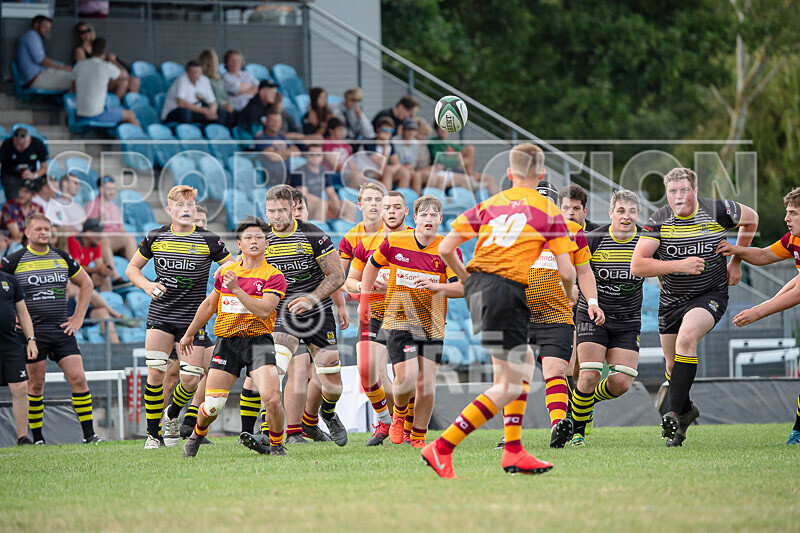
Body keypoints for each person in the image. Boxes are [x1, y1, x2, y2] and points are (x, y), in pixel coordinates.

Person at [421, 143, 577, 478]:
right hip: (507, 291)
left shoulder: (490, 204)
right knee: (510, 384)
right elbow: (566, 272)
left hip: (483, 288)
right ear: (541, 174)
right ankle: (442, 446)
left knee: (520, 372)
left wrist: (470, 281)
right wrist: (568, 295)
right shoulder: (548, 211)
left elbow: (447, 248)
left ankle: (513, 450)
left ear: (509, 174)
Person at [631, 167, 758, 447]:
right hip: (671, 301)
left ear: (695, 191)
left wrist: (736, 259)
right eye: (673, 191)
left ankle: (673, 415)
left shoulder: (719, 210)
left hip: (710, 295)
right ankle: (688, 411)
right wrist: (679, 265)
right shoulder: (659, 220)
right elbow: (638, 265)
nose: (679, 197)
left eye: (684, 190)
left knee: (687, 338)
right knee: (672, 365)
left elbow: (752, 219)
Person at [125, 185, 233, 449]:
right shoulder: (156, 236)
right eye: (181, 206)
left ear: (195, 209)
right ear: (169, 209)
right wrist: (147, 286)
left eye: (190, 206)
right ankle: (153, 435)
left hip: (192, 318)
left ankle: (172, 414)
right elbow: (132, 268)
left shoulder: (209, 239)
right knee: (155, 372)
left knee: (191, 378)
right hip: (160, 313)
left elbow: (231, 266)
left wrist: (228, 278)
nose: (186, 210)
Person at [494, 180, 597, 451]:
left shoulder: (572, 231)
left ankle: (558, 427)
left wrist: (593, 301)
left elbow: (584, 272)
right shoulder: (512, 230)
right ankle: (510, 434)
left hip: (556, 313)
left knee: (555, 371)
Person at [359, 195, 462, 449]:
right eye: (423, 215)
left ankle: (418, 436)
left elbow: (462, 287)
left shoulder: (446, 248)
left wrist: (435, 285)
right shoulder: (395, 241)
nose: (428, 220)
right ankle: (399, 415)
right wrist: (364, 300)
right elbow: (371, 266)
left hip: (432, 323)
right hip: (399, 319)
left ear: (440, 219)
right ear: (415, 218)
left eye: (433, 215)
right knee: (406, 379)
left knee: (426, 385)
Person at [179, 216, 287, 457]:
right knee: (213, 405)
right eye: (248, 237)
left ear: (266, 243)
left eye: (259, 237)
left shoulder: (273, 275)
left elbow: (265, 310)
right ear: (239, 243)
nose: (254, 241)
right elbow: (209, 305)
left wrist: (237, 289)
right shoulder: (226, 272)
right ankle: (197, 435)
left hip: (259, 342)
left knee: (271, 399)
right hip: (227, 343)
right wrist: (189, 334)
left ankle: (277, 446)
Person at [1, 213, 100, 444]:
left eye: (47, 229)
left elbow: (87, 283)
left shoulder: (62, 257)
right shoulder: (13, 260)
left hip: (61, 329)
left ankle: (89, 435)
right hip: (31, 334)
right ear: (27, 232)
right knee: (36, 384)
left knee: (78, 377)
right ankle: (37, 439)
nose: (44, 233)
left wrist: (78, 318)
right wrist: (11, 316)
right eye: (38, 229)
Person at [261, 184, 348, 445]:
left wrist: (311, 299)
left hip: (318, 312)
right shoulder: (262, 239)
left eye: (281, 210)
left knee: (332, 384)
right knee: (275, 369)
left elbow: (337, 275)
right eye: (271, 211)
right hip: (282, 314)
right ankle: (269, 432)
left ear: (291, 209)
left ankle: (328, 413)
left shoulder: (314, 235)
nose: (276, 216)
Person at [715, 187, 800, 445]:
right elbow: (763, 255)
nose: (787, 218)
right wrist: (734, 250)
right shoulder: (793, 240)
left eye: (793, 213)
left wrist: (759, 311)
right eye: (787, 212)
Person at [570, 190, 644, 447]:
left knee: (621, 382)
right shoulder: (593, 238)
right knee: (588, 375)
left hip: (628, 320)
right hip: (593, 314)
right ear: (611, 212)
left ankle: (583, 401)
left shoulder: (646, 240)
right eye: (621, 211)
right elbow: (576, 271)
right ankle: (576, 432)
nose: (626, 216)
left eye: (631, 211)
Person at [345, 191, 410, 445]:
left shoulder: (417, 240)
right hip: (372, 313)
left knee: (404, 378)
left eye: (397, 207)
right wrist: (365, 286)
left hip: (405, 314)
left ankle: (403, 423)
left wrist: (393, 285)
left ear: (406, 212)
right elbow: (350, 280)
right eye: (387, 208)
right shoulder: (367, 243)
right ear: (381, 213)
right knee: (367, 370)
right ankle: (385, 421)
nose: (391, 212)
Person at [173, 205, 219, 442]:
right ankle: (162, 426)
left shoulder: (209, 249)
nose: (200, 226)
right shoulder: (178, 247)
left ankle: (189, 420)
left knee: (212, 367)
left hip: (196, 325)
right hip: (173, 321)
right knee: (173, 376)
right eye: (196, 222)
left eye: (204, 222)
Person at [0, 265, 38, 445]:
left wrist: (31, 339)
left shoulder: (9, 280)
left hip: (11, 344)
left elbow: (22, 312)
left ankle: (22, 437)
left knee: (20, 387)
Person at [73, 38, 139, 128]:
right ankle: (144, 141)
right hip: (96, 114)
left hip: (79, 114)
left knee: (117, 113)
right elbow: (125, 75)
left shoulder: (79, 65)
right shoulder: (105, 66)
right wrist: (113, 61)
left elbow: (73, 87)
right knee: (130, 115)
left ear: (91, 49)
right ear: (105, 51)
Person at [71, 22, 139, 98]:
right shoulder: (79, 50)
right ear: (78, 35)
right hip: (95, 78)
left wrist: (112, 60)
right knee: (124, 82)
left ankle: (131, 104)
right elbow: (85, 69)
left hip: (105, 73)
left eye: (88, 30)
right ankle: (114, 106)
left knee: (134, 81)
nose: (86, 34)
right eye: (82, 32)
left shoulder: (97, 45)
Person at [427, 124, 498, 194]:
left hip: (460, 170)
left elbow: (466, 156)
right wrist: (460, 161)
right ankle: (471, 178)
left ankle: (501, 204)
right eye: (441, 128)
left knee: (490, 178)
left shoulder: (450, 144)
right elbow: (440, 161)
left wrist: (464, 163)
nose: (443, 131)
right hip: (446, 171)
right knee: (469, 153)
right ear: (437, 129)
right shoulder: (434, 142)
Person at [84, 176, 139, 264]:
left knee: (130, 238)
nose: (112, 192)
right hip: (99, 240)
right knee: (104, 238)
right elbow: (88, 229)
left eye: (113, 189)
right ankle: (114, 274)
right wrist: (98, 220)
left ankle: (135, 271)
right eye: (109, 189)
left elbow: (121, 229)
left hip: (113, 239)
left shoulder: (115, 207)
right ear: (101, 189)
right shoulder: (92, 205)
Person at [17, 16, 73, 92]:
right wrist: (62, 67)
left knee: (73, 75)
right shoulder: (31, 35)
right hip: (35, 79)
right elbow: (41, 60)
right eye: (45, 27)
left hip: (40, 74)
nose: (47, 30)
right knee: (76, 80)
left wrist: (62, 66)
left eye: (49, 28)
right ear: (36, 25)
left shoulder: (35, 37)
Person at [161, 60, 223, 125]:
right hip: (174, 112)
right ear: (187, 72)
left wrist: (211, 111)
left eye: (198, 72)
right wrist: (205, 111)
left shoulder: (204, 80)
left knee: (220, 112)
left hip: (195, 110)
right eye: (193, 72)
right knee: (185, 112)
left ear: (202, 72)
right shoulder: (182, 80)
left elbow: (213, 102)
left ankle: (210, 132)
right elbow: (181, 103)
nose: (195, 75)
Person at [356, 117, 411, 191]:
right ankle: (386, 198)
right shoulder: (369, 143)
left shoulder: (390, 144)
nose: (388, 132)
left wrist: (393, 169)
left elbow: (397, 163)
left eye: (391, 130)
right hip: (365, 172)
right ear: (378, 129)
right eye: (385, 129)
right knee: (387, 171)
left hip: (379, 172)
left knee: (405, 172)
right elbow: (382, 164)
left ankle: (401, 198)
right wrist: (385, 145)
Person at [288, 144, 340, 221]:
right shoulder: (300, 172)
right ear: (306, 156)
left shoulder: (324, 170)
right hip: (299, 206)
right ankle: (320, 231)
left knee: (348, 206)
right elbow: (303, 196)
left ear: (322, 157)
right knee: (322, 205)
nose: (315, 157)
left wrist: (336, 205)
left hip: (317, 203)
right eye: (312, 154)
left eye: (318, 154)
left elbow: (331, 192)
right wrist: (327, 203)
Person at [0, 127, 49, 200]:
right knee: (15, 198)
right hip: (11, 176)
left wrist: (34, 175)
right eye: (16, 145)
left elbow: (44, 167)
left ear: (28, 141)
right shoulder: (7, 144)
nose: (18, 147)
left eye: (21, 145)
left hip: (30, 176)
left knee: (40, 193)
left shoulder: (37, 145)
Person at [67, 218, 115, 292]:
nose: (100, 236)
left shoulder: (96, 244)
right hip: (73, 277)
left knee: (105, 278)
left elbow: (99, 265)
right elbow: (75, 268)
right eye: (97, 232)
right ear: (88, 232)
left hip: (87, 275)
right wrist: (98, 269)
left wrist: (105, 270)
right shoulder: (74, 241)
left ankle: (107, 301)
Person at [198, 49, 234, 116]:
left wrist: (229, 104)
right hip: (213, 106)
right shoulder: (203, 79)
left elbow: (225, 94)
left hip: (224, 105)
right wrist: (223, 104)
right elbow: (207, 98)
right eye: (215, 60)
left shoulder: (218, 78)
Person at [392, 118, 424, 193]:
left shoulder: (415, 143)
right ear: (403, 130)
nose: (411, 132)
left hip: (410, 168)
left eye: (413, 130)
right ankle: (400, 200)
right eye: (408, 130)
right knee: (405, 174)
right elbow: (394, 160)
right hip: (397, 169)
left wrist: (410, 167)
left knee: (417, 176)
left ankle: (417, 201)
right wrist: (405, 167)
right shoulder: (395, 140)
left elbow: (414, 163)